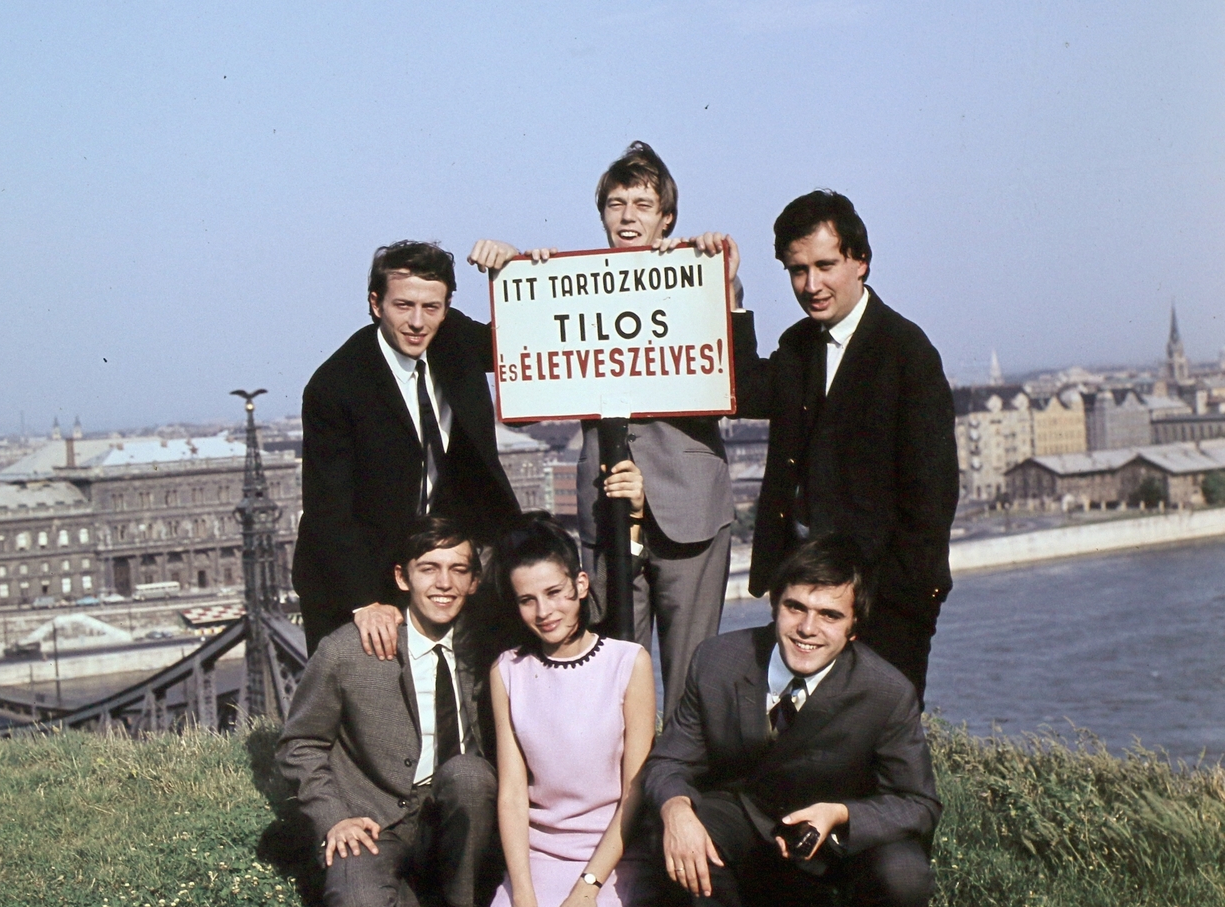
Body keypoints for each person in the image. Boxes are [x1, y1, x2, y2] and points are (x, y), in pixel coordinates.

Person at [469, 141, 759, 712]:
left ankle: (678, 790)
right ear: (602, 213)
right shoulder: (563, 280)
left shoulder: (696, 273)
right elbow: (521, 334)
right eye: (616, 203)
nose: (628, 216)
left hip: (689, 508)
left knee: (690, 674)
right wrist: (515, 269)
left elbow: (732, 365)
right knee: (609, 669)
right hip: (606, 504)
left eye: (643, 204)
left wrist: (720, 275)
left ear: (666, 217)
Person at [642, 534, 941, 907]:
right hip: (748, 818)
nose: (807, 629)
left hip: (839, 843)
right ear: (774, 606)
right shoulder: (718, 660)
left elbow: (920, 804)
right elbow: (667, 763)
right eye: (795, 608)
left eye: (830, 615)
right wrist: (676, 809)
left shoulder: (887, 691)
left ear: (854, 628)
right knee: (665, 824)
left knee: (905, 874)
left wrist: (841, 814)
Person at [742, 190, 959, 701]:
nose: (811, 285)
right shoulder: (798, 345)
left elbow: (930, 499)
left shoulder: (908, 353)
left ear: (861, 261)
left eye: (824, 265)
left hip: (883, 603)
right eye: (797, 270)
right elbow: (746, 389)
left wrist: (894, 601)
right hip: (804, 595)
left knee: (877, 744)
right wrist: (731, 297)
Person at [277, 517, 501, 907]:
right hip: (373, 816)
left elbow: (567, 608)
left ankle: (460, 903)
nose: (444, 584)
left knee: (469, 774)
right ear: (402, 577)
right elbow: (300, 744)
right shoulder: (346, 650)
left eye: (459, 570)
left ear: (475, 582)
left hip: (455, 805)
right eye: (429, 568)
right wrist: (334, 818)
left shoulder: (489, 648)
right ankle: (425, 891)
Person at [293, 240, 521, 656]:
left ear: (447, 307)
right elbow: (329, 509)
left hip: (438, 557)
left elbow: (521, 342)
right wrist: (364, 601)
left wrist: (513, 271)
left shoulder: (452, 339)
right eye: (403, 307)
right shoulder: (334, 386)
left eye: (432, 308)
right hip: (356, 570)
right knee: (370, 702)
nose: (418, 322)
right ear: (376, 304)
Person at [473, 514, 657, 907]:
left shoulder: (628, 662)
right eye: (527, 600)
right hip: (537, 857)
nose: (544, 611)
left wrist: (588, 888)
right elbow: (513, 795)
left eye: (554, 593)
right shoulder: (507, 671)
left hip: (610, 855)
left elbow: (635, 792)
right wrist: (525, 901)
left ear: (580, 585)